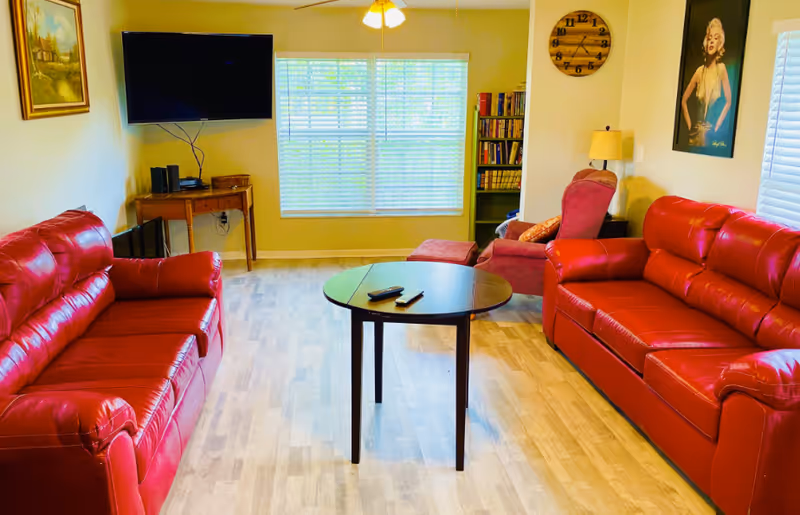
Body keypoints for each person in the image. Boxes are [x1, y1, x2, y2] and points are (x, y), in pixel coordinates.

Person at [681, 18, 732, 148]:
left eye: (715, 38)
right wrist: (690, 126)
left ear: (720, 43)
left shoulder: (721, 69)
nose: (711, 41)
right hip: (696, 136)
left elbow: (729, 102)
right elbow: (683, 100)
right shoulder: (699, 71)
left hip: (712, 136)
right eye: (709, 38)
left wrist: (717, 126)